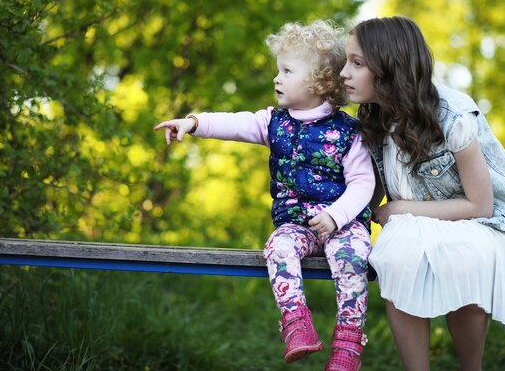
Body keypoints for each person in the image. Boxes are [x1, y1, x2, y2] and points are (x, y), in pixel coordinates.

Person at [154, 20, 373, 371]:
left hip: (342, 224)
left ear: (321, 81)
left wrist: (336, 216)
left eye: (287, 70)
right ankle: (297, 324)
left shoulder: (348, 131)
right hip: (298, 226)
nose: (277, 78)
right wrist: (192, 123)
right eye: (278, 69)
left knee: (352, 256)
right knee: (277, 246)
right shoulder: (274, 122)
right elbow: (233, 123)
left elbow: (363, 182)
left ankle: (348, 343)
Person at [340, 16, 505, 371]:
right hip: (414, 225)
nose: (344, 72)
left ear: (390, 66)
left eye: (357, 63)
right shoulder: (372, 117)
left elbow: (480, 204)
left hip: (479, 223)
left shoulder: (453, 115)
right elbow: (371, 190)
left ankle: (471, 368)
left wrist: (401, 208)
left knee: (464, 256)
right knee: (396, 255)